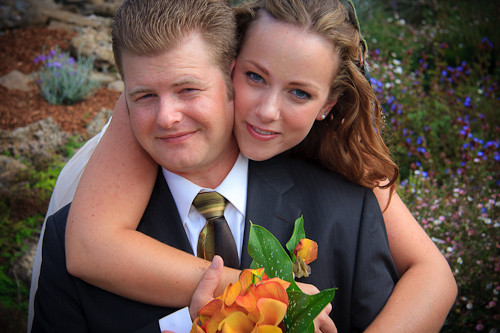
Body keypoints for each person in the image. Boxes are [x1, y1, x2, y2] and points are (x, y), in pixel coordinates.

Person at [29, 0, 457, 331]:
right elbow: (89, 248)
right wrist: (250, 297)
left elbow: (433, 275)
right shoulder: (76, 228)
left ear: (328, 104)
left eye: (300, 94)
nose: (268, 111)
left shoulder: (349, 200)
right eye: (255, 77)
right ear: (233, 68)